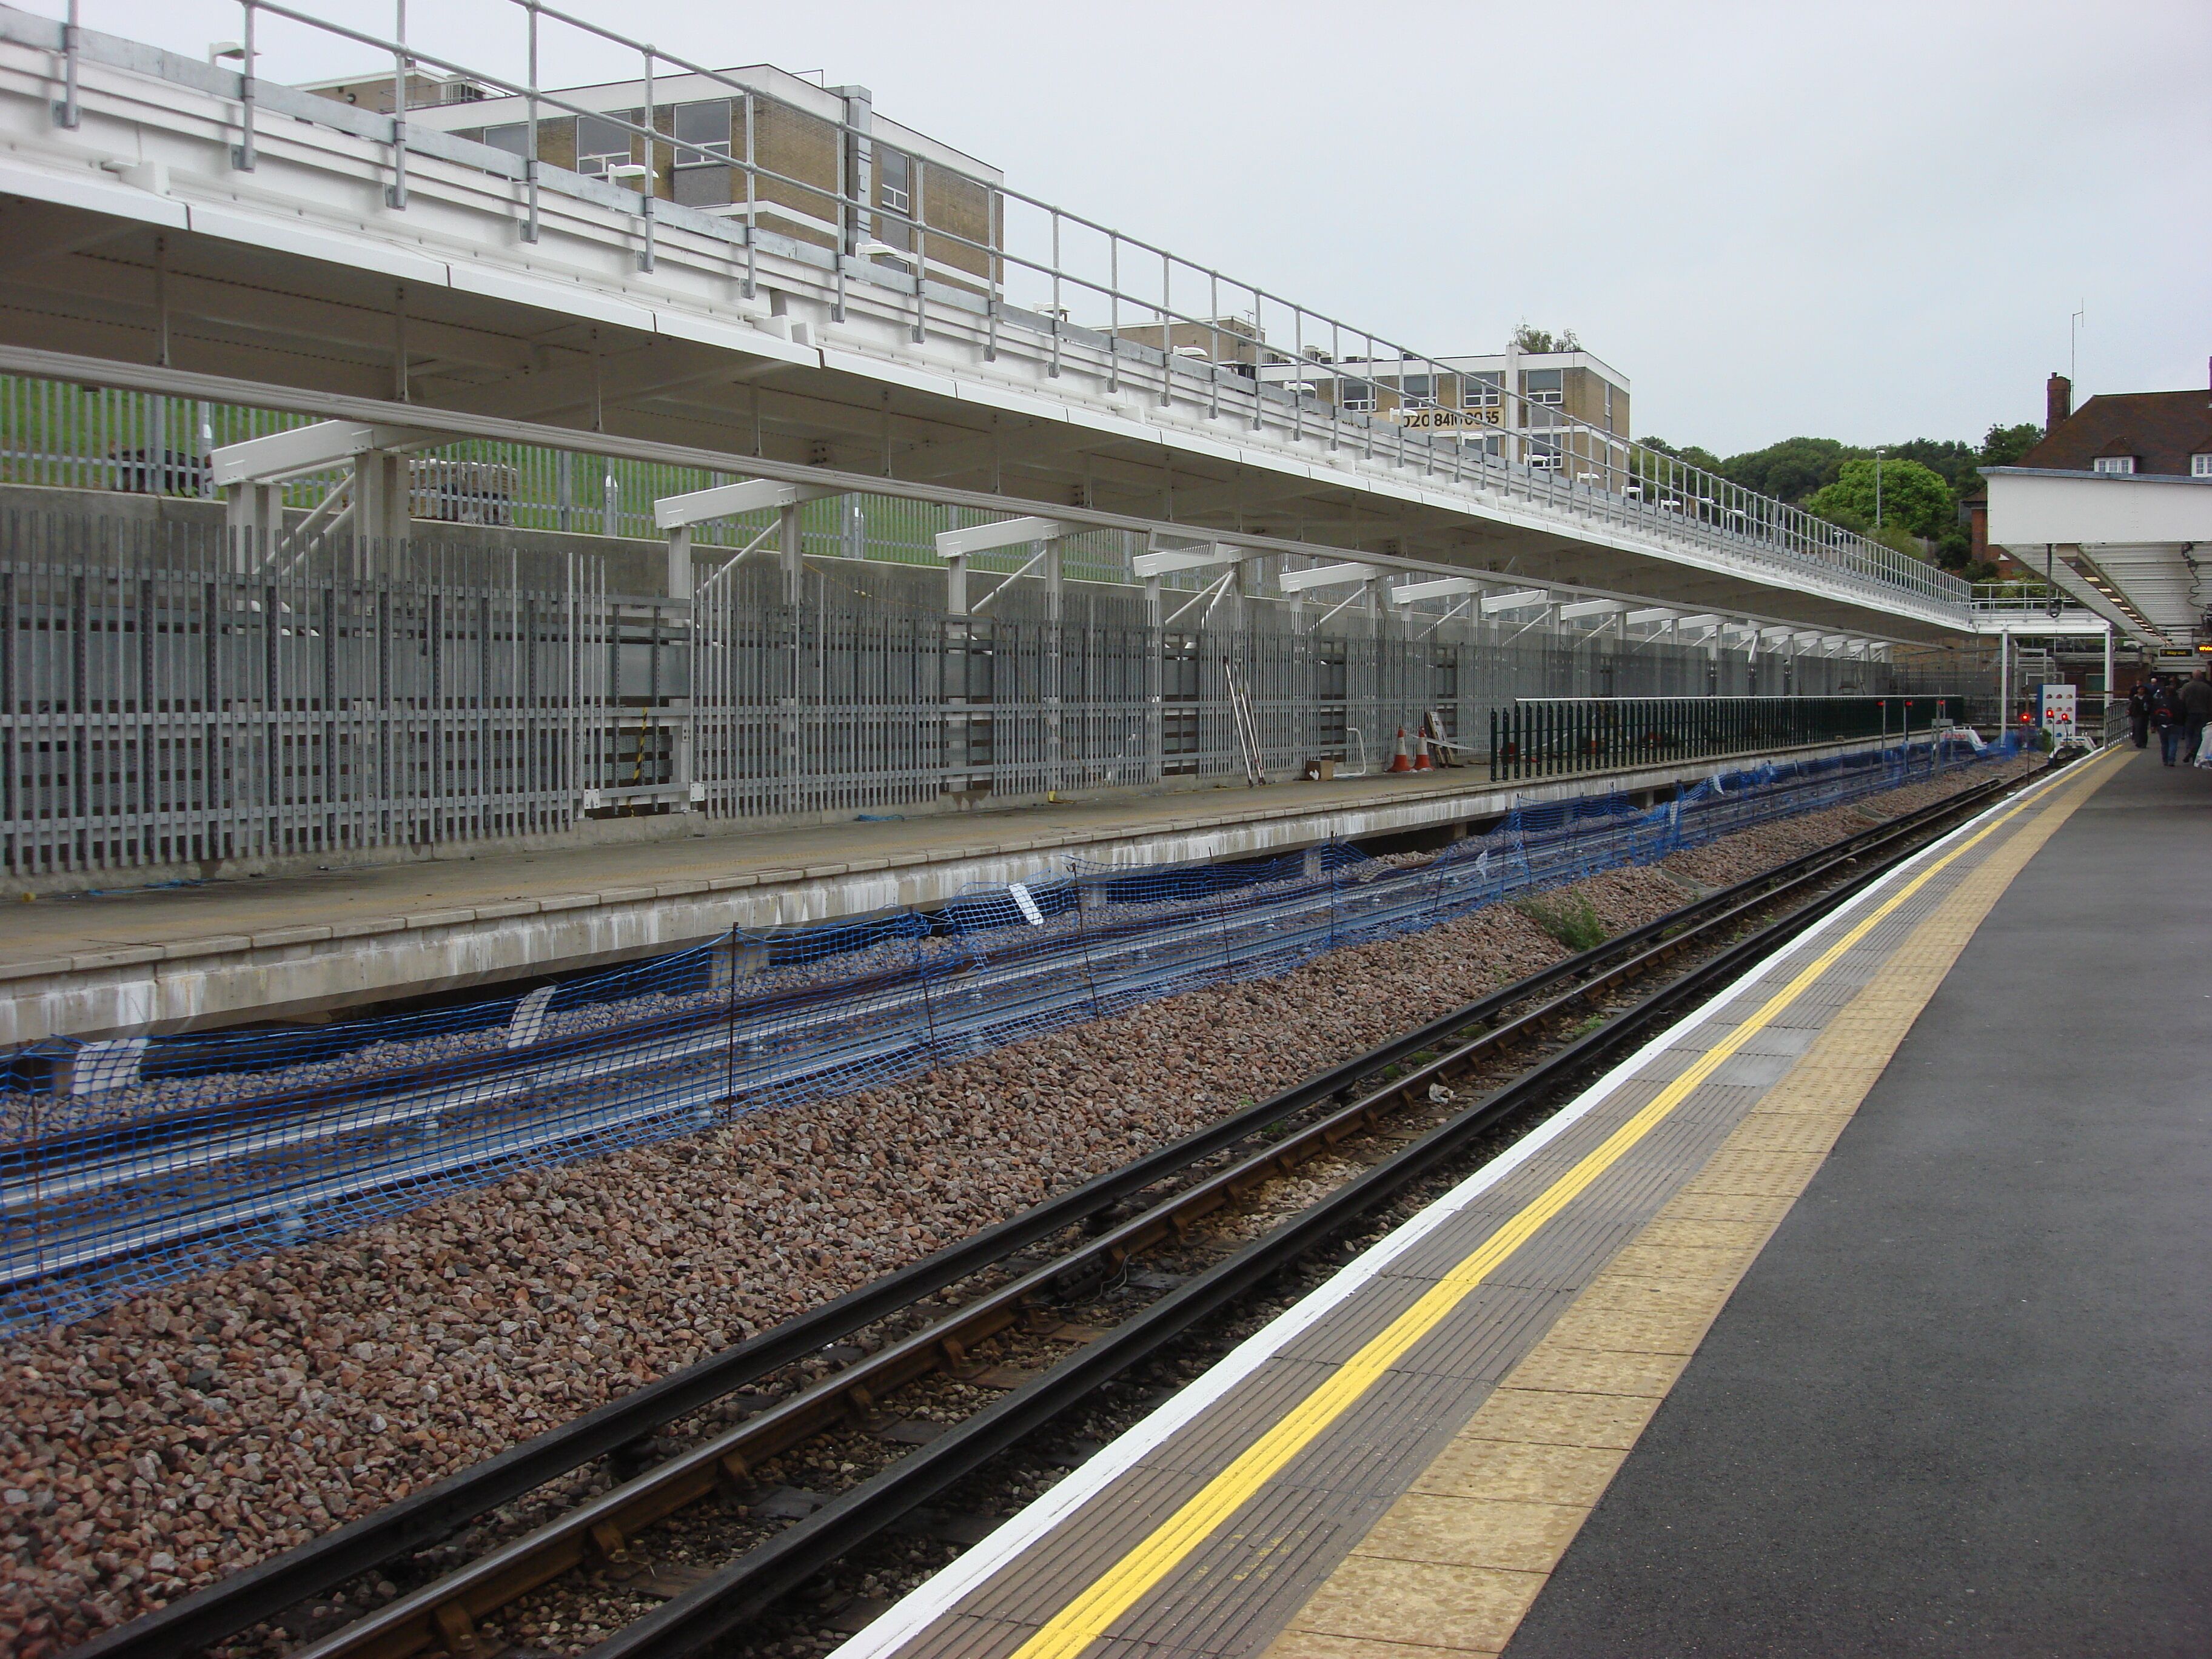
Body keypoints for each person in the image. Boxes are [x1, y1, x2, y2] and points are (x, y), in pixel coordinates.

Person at [2151, 677, 2188, 766]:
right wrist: (2183, 723)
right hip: (2176, 724)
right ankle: (2171, 760)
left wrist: (2154, 725)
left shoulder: (2160, 701)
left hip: (2162, 724)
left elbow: (2154, 713)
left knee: (2164, 743)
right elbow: (2184, 713)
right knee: (2173, 742)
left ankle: (2165, 760)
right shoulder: (2179, 702)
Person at [2183, 671, 2212, 763]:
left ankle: (2189, 750)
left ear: (2192, 676)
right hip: (2204, 713)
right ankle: (2195, 751)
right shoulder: (2207, 688)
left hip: (2189, 713)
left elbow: (2182, 700)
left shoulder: (2186, 686)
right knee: (2199, 734)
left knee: (2189, 734)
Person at [2127, 678, 2154, 749]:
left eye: (2142, 690)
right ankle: (2138, 742)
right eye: (2140, 690)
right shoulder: (2135, 698)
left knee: (2144, 729)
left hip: (2145, 715)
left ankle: (2143, 742)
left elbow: (2151, 706)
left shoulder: (2148, 698)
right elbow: (2132, 706)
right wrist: (2130, 711)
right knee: (2137, 728)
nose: (2141, 691)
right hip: (2136, 715)